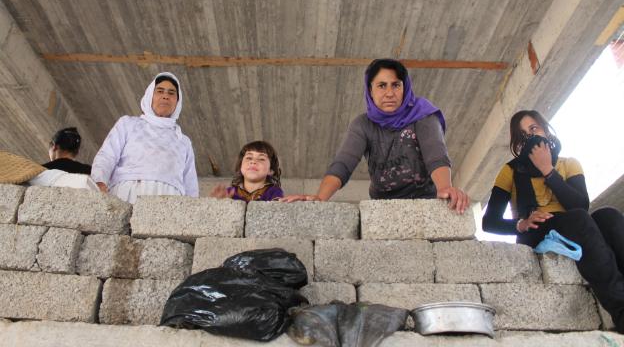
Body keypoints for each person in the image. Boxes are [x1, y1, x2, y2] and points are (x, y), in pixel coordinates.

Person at [482, 109, 624, 332]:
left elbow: (580, 205)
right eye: (522, 135)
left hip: (573, 222)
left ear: (546, 131)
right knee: (579, 220)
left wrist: (548, 170)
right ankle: (620, 309)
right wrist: (521, 223)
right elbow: (489, 222)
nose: (530, 137)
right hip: (536, 229)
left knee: (608, 215)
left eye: (534, 129)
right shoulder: (510, 171)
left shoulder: (569, 164)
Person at [281, 58, 468, 213]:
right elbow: (343, 164)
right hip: (382, 208)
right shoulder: (363, 124)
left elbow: (436, 155)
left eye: (396, 85)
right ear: (370, 90)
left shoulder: (423, 115)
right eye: (381, 86)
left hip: (424, 202)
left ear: (405, 88)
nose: (389, 93)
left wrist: (445, 188)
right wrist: (320, 198)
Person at [91, 72, 199, 203]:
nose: (165, 96)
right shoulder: (128, 124)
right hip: (127, 196)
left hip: (170, 205)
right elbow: (107, 156)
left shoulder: (183, 141)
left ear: (178, 101)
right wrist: (99, 181)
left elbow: (190, 186)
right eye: (160, 91)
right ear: (149, 96)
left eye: (171, 93)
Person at [210, 140, 284, 202]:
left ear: (270, 170)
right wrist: (218, 203)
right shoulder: (229, 193)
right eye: (249, 158)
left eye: (261, 159)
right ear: (240, 166)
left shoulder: (274, 191)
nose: (253, 162)